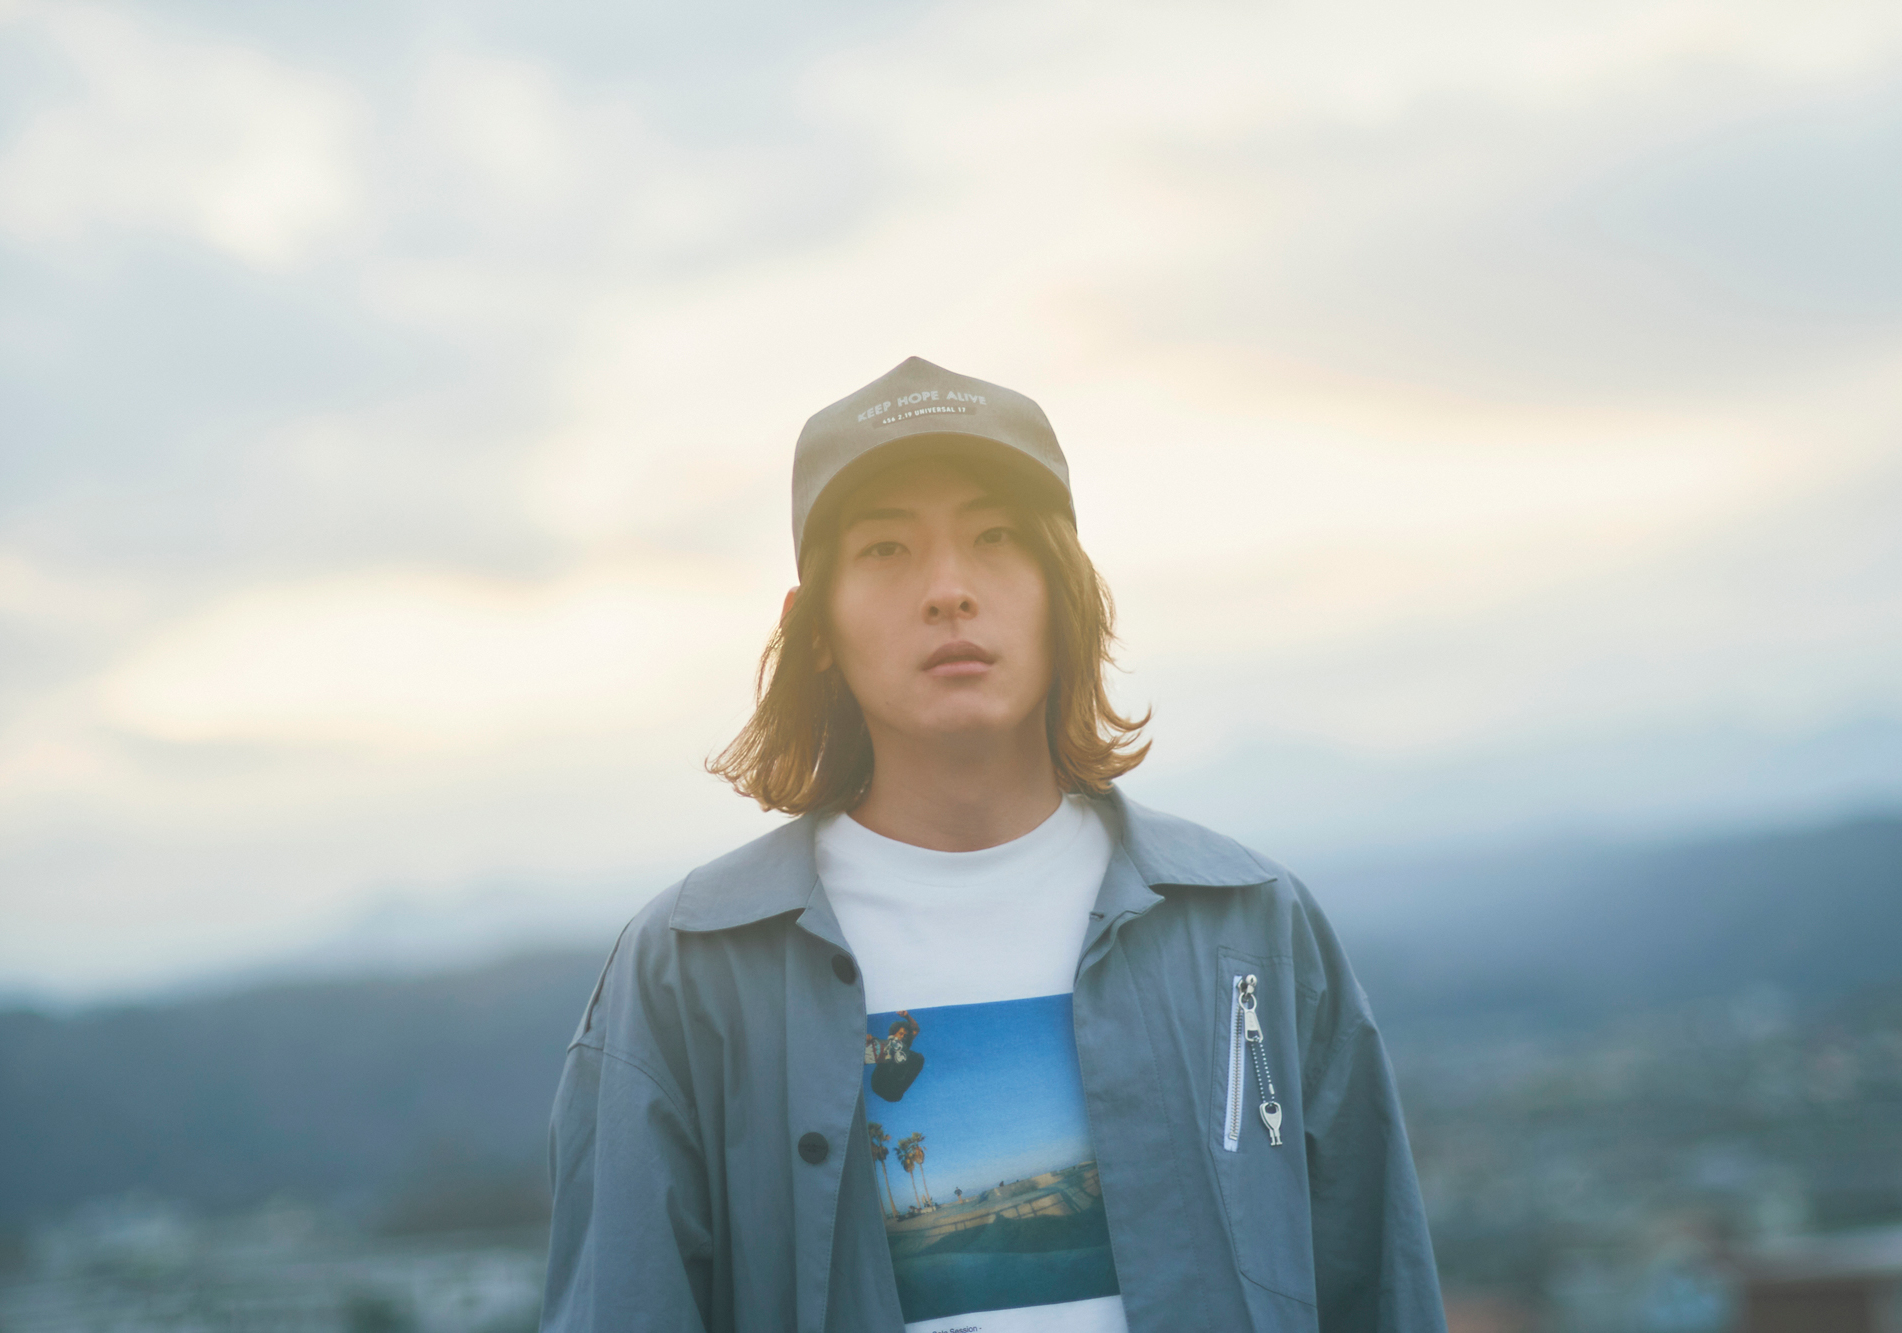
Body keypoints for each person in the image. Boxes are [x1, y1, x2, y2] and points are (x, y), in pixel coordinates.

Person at [540, 358, 1445, 1333]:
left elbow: (1377, 1289)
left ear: (1065, 593)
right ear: (814, 628)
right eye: (885, 548)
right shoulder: (688, 973)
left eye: (995, 537)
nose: (947, 590)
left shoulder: (1247, 927)